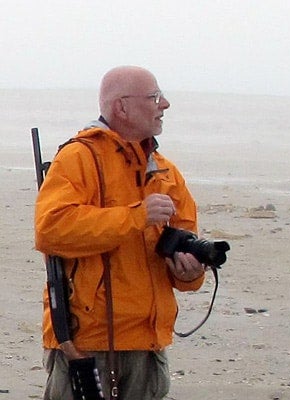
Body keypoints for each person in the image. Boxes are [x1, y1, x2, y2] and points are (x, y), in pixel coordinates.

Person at [35, 65, 206, 400]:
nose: (165, 104)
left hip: (148, 344)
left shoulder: (166, 171)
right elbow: (51, 230)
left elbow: (186, 258)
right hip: (86, 343)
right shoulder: (78, 158)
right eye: (154, 97)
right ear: (121, 107)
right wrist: (135, 217)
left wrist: (191, 271)